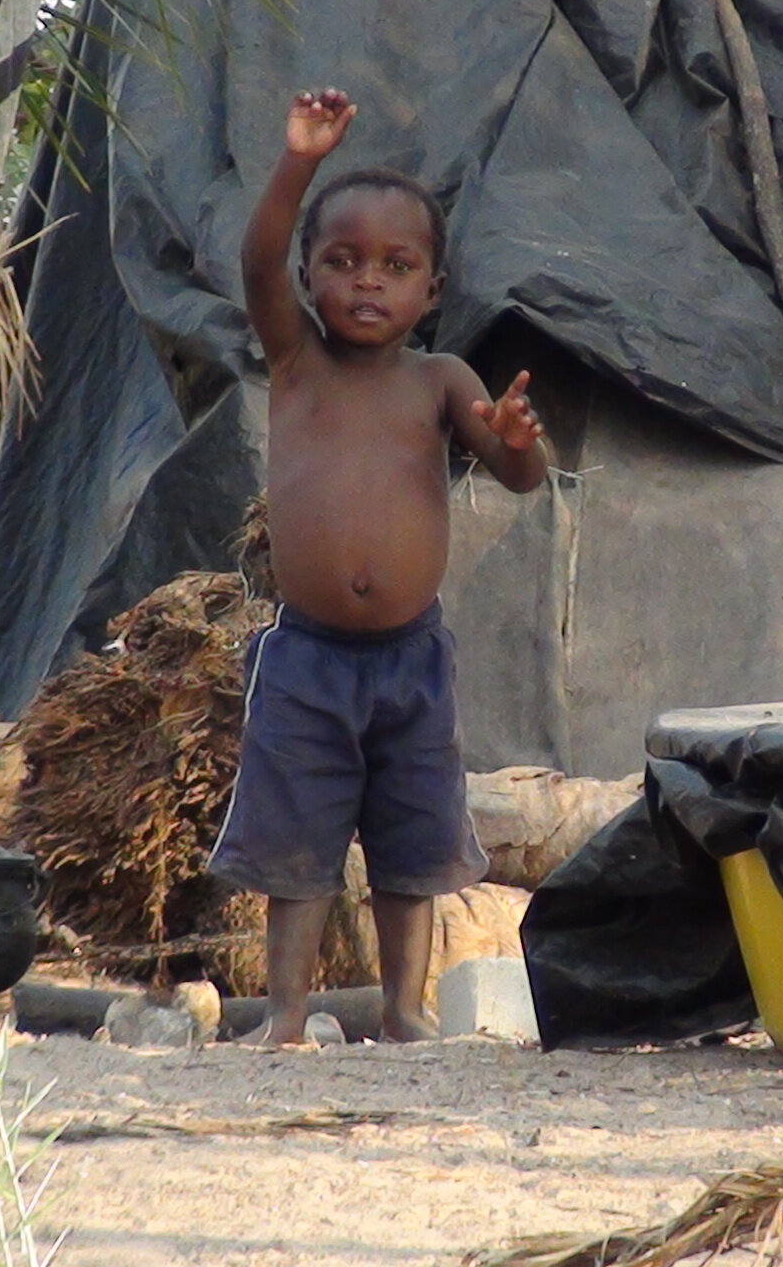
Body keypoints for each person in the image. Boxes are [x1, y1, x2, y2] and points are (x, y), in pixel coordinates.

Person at [207, 87, 548, 1044]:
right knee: (295, 837)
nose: (367, 282)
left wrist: (518, 437)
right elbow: (253, 259)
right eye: (342, 260)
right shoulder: (296, 361)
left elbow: (518, 475)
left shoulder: (442, 381)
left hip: (412, 663)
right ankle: (285, 1015)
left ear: (432, 292)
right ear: (309, 274)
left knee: (414, 837)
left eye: (397, 267)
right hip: (306, 661)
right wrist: (298, 162)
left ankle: (403, 1008)